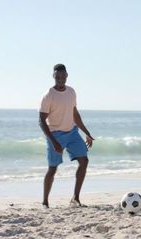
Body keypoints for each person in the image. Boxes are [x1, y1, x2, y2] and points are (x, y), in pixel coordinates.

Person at [39, 64, 94, 207]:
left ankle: (75, 198)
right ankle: (45, 202)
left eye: (63, 76)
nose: (60, 79)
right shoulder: (48, 96)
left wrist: (86, 132)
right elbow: (41, 121)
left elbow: (75, 114)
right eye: (58, 76)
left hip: (72, 132)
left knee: (84, 161)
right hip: (55, 134)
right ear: (54, 77)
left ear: (67, 76)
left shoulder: (71, 92)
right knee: (52, 169)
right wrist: (53, 141)